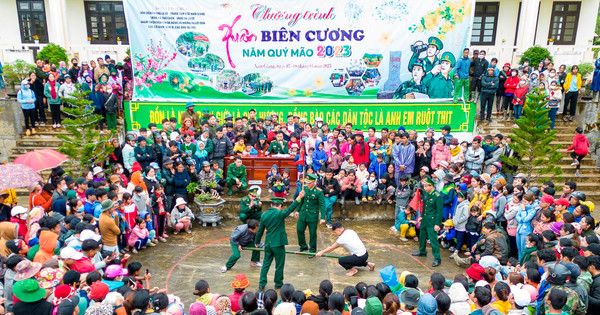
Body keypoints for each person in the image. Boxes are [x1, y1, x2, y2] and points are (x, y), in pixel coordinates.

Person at [254, 193, 304, 291]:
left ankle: (261, 283)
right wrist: (299, 198)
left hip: (268, 243)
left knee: (266, 264)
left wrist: (257, 241)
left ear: (271, 205)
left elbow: (260, 230)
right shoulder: (279, 214)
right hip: (278, 243)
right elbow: (290, 209)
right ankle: (278, 283)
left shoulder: (264, 215)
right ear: (280, 205)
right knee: (279, 264)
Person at [412, 177, 443, 267]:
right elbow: (424, 206)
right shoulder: (426, 193)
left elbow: (439, 211)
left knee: (433, 240)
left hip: (432, 221)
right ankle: (422, 251)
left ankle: (437, 258)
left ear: (431, 186)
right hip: (425, 219)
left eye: (426, 186)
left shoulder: (437, 196)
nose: (424, 188)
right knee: (422, 236)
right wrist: (420, 216)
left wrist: (437, 224)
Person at [295, 174, 326, 257]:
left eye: (309, 183)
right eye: (306, 182)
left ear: (314, 182)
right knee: (299, 230)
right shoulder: (304, 189)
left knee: (312, 233)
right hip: (303, 214)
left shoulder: (318, 192)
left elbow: (322, 204)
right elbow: (301, 200)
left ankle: (312, 250)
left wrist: (322, 217)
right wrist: (297, 210)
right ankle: (303, 246)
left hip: (312, 215)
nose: (307, 184)